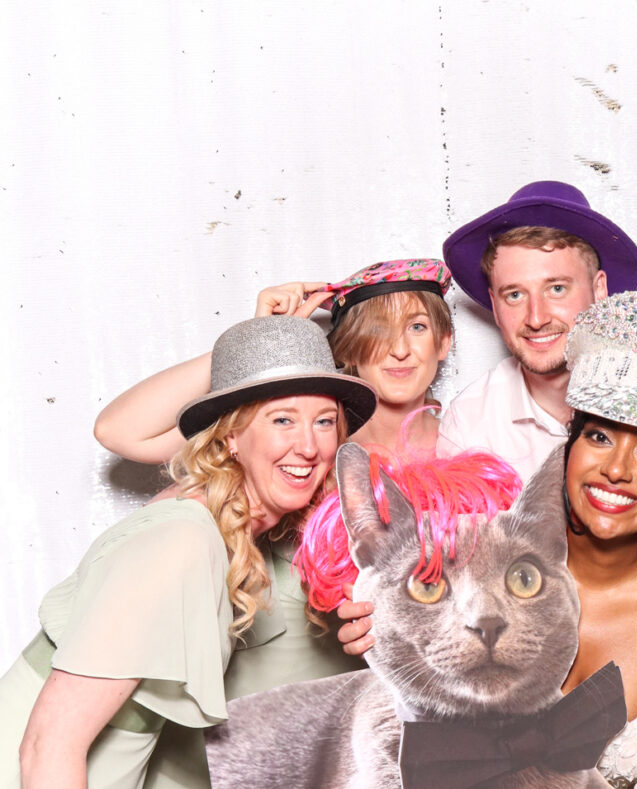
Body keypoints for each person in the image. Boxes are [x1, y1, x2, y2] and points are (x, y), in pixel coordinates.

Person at [338, 289, 637, 787]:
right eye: (598, 437)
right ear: (568, 444)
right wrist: (372, 633)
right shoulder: (478, 554)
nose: (616, 470)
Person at [0, 315, 376, 789]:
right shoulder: (182, 541)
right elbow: (47, 747)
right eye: (282, 420)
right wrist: (247, 347)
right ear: (232, 437)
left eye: (324, 422)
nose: (307, 445)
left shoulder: (239, 531)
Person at [93, 258, 453, 462]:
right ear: (344, 348)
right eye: (377, 330)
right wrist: (261, 340)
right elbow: (118, 432)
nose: (400, 349)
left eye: (417, 327)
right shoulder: (304, 443)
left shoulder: (469, 436)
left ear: (444, 342)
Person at [437, 180, 637, 481]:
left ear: (599, 289)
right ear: (496, 309)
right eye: (514, 295)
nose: (536, 318)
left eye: (557, 288)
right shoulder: (470, 425)